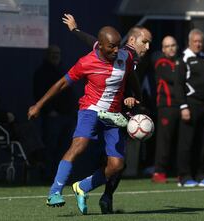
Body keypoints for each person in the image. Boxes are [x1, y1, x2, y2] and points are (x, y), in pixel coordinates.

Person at [28, 26, 141, 215]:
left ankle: (83, 187)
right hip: (90, 110)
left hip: (113, 116)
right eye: (111, 47)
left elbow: (132, 77)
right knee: (79, 145)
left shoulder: (125, 57)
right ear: (101, 46)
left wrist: (137, 97)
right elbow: (62, 83)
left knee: (116, 166)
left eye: (118, 46)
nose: (116, 50)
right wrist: (38, 105)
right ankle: (55, 191)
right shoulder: (86, 62)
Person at [62, 14, 152, 213]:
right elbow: (120, 79)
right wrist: (128, 97)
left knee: (117, 162)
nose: (147, 47)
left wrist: (75, 30)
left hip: (119, 114)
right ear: (131, 40)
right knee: (114, 161)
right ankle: (99, 194)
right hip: (108, 112)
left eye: (149, 43)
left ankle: (104, 197)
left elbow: (93, 42)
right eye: (144, 42)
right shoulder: (124, 53)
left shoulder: (131, 57)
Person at [178, 28, 204, 187]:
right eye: (195, 41)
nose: (198, 44)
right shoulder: (184, 59)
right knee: (187, 143)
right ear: (189, 42)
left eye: (200, 41)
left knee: (203, 142)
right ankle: (185, 176)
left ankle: (200, 174)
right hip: (190, 105)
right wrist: (183, 106)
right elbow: (179, 85)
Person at [33, 45, 78, 179]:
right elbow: (39, 93)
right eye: (52, 53)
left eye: (57, 53)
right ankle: (47, 176)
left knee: (65, 149)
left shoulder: (64, 70)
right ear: (46, 55)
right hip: (53, 117)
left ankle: (61, 177)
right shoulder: (41, 72)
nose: (55, 55)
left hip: (67, 116)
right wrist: (49, 111)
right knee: (50, 147)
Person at [152, 36, 186, 183]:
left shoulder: (181, 61)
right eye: (167, 46)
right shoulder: (161, 63)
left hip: (182, 106)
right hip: (166, 106)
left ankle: (182, 172)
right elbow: (174, 78)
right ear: (163, 49)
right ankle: (159, 172)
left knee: (182, 141)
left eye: (173, 45)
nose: (171, 48)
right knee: (164, 141)